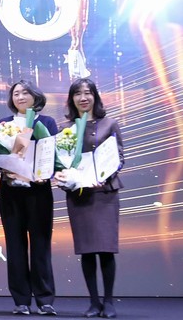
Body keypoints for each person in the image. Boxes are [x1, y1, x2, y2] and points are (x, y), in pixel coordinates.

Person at [56, 78, 124, 319]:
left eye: (88, 93)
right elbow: (59, 161)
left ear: (95, 96)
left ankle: (109, 301)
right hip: (79, 195)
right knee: (86, 250)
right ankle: (94, 302)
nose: (83, 98)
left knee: (105, 249)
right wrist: (63, 176)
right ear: (71, 99)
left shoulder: (110, 124)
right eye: (78, 94)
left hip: (104, 193)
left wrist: (103, 176)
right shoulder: (66, 129)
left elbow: (119, 158)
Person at [0, 80, 58, 316]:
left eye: (25, 93)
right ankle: (21, 300)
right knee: (15, 245)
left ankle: (45, 299)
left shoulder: (47, 122)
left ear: (35, 96)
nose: (20, 97)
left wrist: (45, 174)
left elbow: (53, 154)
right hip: (11, 191)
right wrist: (5, 166)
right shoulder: (4, 124)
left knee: (40, 244)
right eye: (16, 94)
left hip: (38, 191)